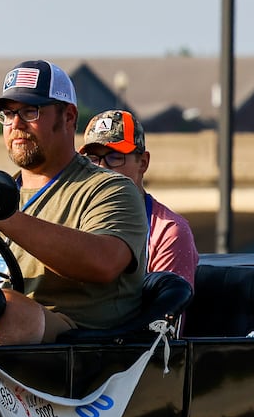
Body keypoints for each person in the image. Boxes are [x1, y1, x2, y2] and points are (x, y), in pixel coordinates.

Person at [0, 60, 148, 345]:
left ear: (68, 117)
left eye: (29, 111)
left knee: (5, 309)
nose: (16, 124)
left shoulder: (110, 190)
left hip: (78, 351)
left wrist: (6, 219)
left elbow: (103, 262)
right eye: (7, 114)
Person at [80, 110, 199, 290]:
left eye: (115, 157)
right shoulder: (73, 220)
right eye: (93, 159)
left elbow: (166, 314)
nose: (102, 168)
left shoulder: (167, 231)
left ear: (143, 162)